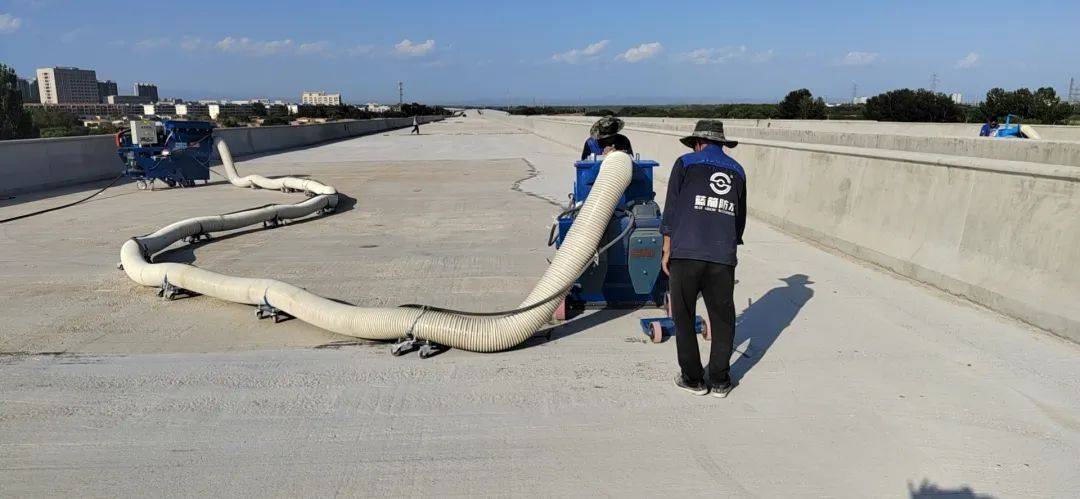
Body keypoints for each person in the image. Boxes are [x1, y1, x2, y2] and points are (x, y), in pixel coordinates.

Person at [660, 120, 746, 399]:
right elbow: (739, 221)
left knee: (683, 316)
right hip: (722, 256)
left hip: (686, 253)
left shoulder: (685, 163)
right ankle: (720, 381)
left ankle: (694, 379)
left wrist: (666, 248)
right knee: (723, 319)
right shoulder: (738, 171)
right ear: (722, 144)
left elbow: (671, 209)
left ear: (697, 142)